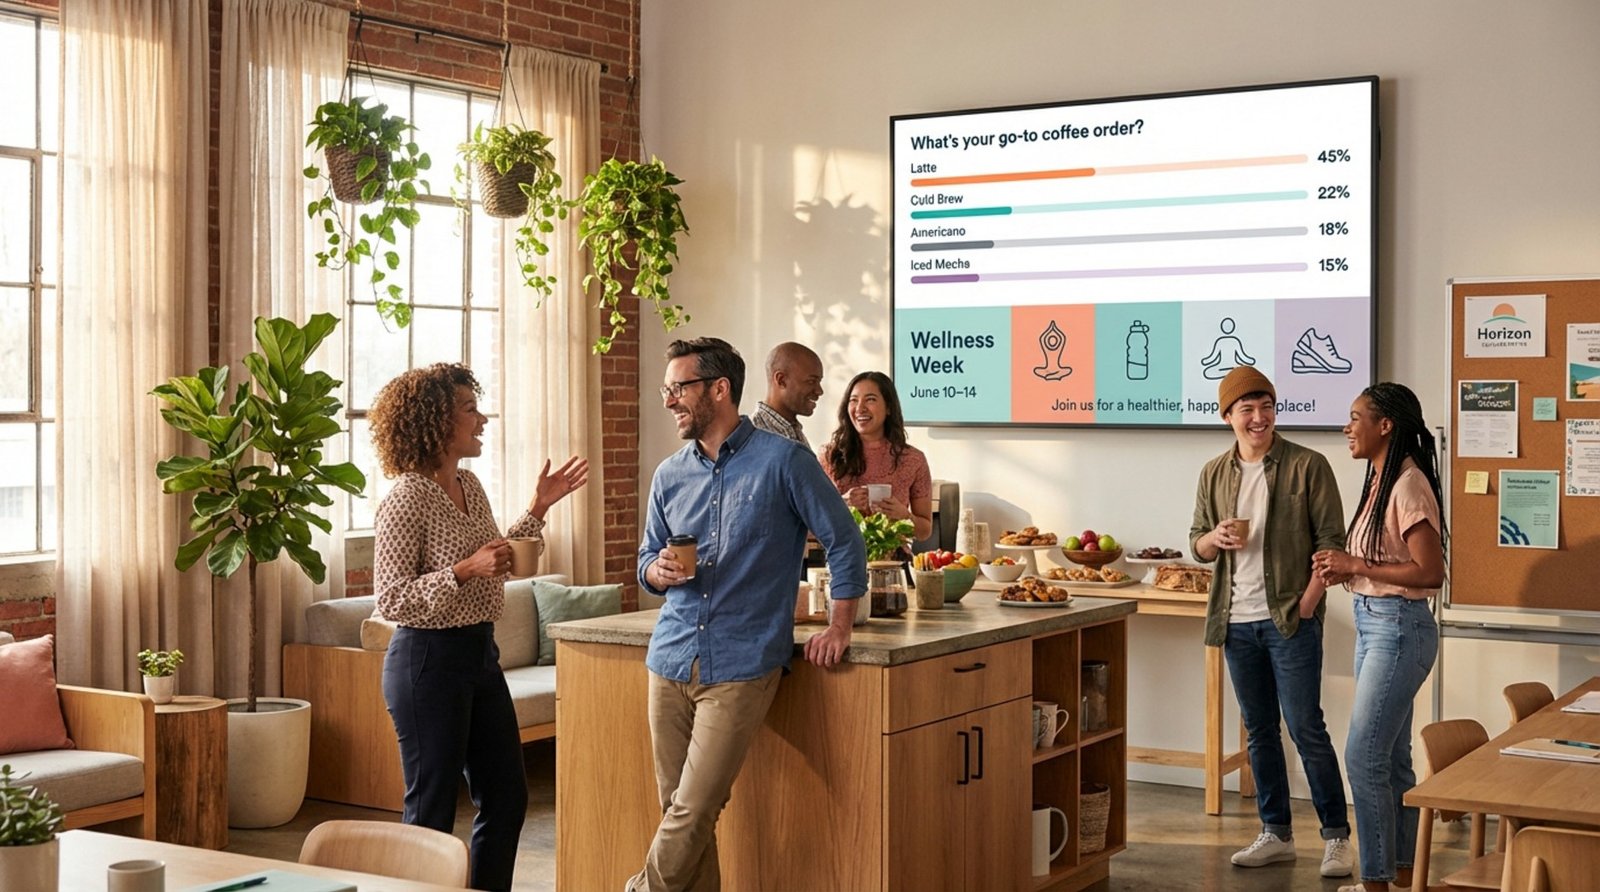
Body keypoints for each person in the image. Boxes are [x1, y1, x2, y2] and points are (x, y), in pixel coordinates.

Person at [627, 337, 866, 892]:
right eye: (667, 389)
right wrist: (654, 573)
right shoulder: (669, 475)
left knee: (692, 807)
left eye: (678, 388)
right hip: (669, 659)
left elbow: (844, 542)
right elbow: (645, 559)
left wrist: (840, 624)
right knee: (682, 811)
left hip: (742, 663)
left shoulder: (784, 461)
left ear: (719, 389)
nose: (669, 401)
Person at [369, 363, 588, 892]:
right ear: (436, 420)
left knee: (507, 798)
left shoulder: (468, 483)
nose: (482, 418)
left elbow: (495, 555)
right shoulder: (406, 496)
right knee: (432, 812)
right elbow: (391, 598)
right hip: (427, 662)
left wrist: (537, 507)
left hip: (478, 658)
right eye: (470, 409)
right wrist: (463, 571)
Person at [1188, 365, 1354, 879]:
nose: (1259, 418)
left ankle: (1336, 838)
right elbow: (1196, 544)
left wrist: (1306, 605)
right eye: (1247, 409)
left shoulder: (1309, 466)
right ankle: (1276, 832)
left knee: (1306, 727)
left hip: (1289, 620)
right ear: (1228, 417)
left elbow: (1332, 546)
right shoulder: (1214, 472)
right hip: (1235, 622)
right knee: (1259, 731)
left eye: (1267, 407)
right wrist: (1214, 539)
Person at [1312, 383, 1446, 892]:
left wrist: (1357, 565)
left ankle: (1375, 883)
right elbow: (1387, 564)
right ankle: (1402, 876)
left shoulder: (1407, 483)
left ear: (1384, 425)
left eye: (1355, 418)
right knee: (1390, 760)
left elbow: (1430, 572)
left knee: (1363, 756)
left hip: (1398, 630)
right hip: (1377, 622)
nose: (1347, 427)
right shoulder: (1379, 480)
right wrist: (1346, 571)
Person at [819, 371, 933, 543]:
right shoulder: (829, 456)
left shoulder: (913, 459)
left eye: (870, 399)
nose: (859, 408)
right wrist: (842, 504)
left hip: (893, 563)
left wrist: (905, 515)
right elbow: (810, 520)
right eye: (853, 400)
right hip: (841, 561)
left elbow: (925, 531)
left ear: (888, 407)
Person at [751, 341, 824, 448]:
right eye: (811, 381)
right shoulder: (753, 436)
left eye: (819, 382)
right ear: (781, 380)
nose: (819, 391)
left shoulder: (792, 430)